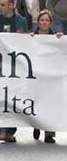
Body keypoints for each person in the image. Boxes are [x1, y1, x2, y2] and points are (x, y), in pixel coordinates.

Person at [0, 0, 28, 142]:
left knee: (14, 98)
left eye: (3, 5)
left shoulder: (21, 21)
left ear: (12, 5)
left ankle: (10, 131)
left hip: (15, 66)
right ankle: (1, 129)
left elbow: (23, 41)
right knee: (1, 97)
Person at [31, 10, 63, 143]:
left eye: (47, 20)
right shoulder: (32, 36)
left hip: (51, 76)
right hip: (36, 75)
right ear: (38, 22)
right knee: (38, 102)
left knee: (50, 103)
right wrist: (28, 38)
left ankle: (49, 132)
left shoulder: (55, 37)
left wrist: (60, 39)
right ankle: (38, 125)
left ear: (50, 23)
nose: (44, 22)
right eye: (42, 20)